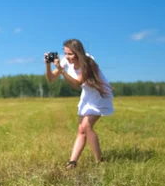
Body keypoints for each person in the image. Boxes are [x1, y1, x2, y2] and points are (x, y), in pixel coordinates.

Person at [44, 39, 114, 169]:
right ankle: (72, 162)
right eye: (65, 53)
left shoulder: (88, 62)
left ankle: (100, 161)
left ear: (78, 53)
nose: (67, 57)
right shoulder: (66, 61)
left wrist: (61, 70)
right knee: (81, 129)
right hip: (87, 94)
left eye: (70, 54)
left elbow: (77, 84)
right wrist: (48, 65)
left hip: (100, 94)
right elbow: (51, 78)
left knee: (87, 127)